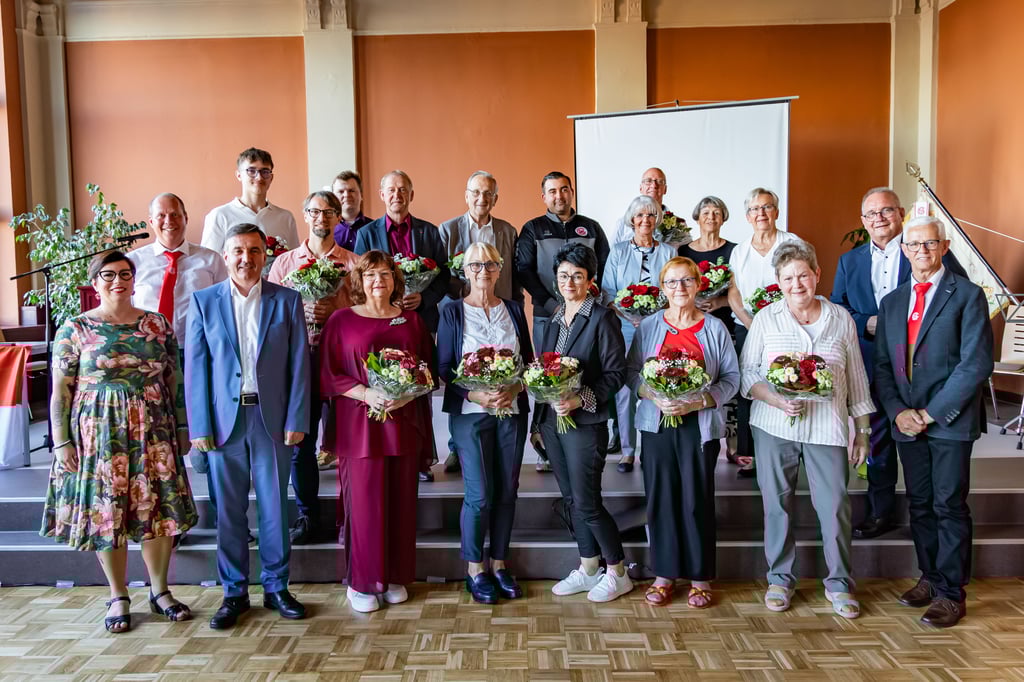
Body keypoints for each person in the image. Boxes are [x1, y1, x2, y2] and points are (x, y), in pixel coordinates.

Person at [41, 251, 198, 633]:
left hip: (153, 428)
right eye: (108, 275)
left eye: (125, 274)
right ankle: (118, 594)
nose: (118, 281)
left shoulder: (157, 325)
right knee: (107, 513)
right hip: (99, 435)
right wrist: (61, 441)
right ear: (94, 283)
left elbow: (174, 381)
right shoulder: (75, 328)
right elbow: (60, 389)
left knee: (157, 511)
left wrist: (181, 427)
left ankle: (160, 591)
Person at [185, 223, 310, 629]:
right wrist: (199, 425)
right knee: (229, 512)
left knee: (275, 508)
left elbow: (299, 366)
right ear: (225, 255)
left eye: (254, 251)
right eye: (238, 251)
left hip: (272, 420)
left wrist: (297, 418)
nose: (246, 259)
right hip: (224, 423)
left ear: (265, 256)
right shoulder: (204, 302)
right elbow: (196, 369)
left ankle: (276, 587)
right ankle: (234, 592)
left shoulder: (287, 300)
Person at [739, 239, 872, 619]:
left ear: (817, 274)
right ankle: (780, 579)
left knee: (835, 507)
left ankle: (840, 583)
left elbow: (857, 378)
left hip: (828, 427)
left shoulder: (840, 318)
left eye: (803, 275)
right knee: (776, 505)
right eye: (787, 277)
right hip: (773, 424)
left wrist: (861, 431)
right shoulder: (767, 318)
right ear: (778, 281)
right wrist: (777, 399)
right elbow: (749, 374)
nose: (797, 284)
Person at [874, 217, 994, 628]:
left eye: (930, 243)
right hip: (906, 421)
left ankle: (950, 593)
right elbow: (883, 368)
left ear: (943, 247)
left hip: (948, 422)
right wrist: (897, 412)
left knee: (949, 505)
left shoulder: (967, 296)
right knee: (920, 503)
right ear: (903, 250)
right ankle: (930, 576)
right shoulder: (892, 302)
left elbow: (975, 364)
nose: (921, 251)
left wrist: (930, 412)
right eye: (913, 244)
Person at [831, 188, 966, 539]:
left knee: (926, 441)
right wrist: (866, 323)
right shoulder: (850, 261)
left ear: (901, 214)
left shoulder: (925, 249)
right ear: (863, 221)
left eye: (886, 211)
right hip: (871, 363)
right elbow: (838, 306)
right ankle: (881, 512)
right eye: (871, 214)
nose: (879, 219)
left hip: (923, 370)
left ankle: (935, 516)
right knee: (876, 439)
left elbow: (956, 296)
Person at [319, 250, 436, 613]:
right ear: (359, 281)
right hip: (360, 426)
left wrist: (404, 395)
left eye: (385, 274)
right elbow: (329, 373)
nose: (378, 282)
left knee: (401, 502)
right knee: (365, 505)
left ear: (395, 280)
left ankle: (395, 575)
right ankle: (362, 581)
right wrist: (369, 394)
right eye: (370, 275)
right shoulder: (341, 320)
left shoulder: (411, 321)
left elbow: (427, 372)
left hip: (401, 422)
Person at [625, 256, 739, 608]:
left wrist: (699, 401)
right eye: (672, 283)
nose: (680, 288)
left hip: (698, 426)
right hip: (657, 424)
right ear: (663, 289)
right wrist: (654, 395)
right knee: (661, 500)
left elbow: (732, 380)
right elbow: (632, 375)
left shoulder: (715, 328)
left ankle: (701, 575)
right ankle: (664, 573)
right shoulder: (649, 327)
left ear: (698, 284)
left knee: (696, 500)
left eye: (687, 281)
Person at [437, 242, 532, 604]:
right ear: (465, 270)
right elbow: (444, 368)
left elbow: (528, 359)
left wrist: (517, 387)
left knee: (507, 490)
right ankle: (475, 567)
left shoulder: (512, 308)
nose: (484, 271)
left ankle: (500, 563)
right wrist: (475, 395)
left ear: (499, 268)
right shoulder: (452, 312)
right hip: (471, 414)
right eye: (476, 265)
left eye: (490, 264)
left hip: (511, 410)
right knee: (479, 495)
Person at [128, 193, 227, 537]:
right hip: (149, 360)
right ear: (151, 220)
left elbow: (224, 311)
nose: (169, 220)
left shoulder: (210, 260)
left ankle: (225, 519)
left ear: (186, 217)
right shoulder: (133, 261)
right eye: (161, 215)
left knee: (207, 437)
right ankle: (170, 523)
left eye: (175, 214)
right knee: (158, 441)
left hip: (198, 356)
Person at [539, 243, 631, 603]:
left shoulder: (603, 318)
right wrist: (539, 422)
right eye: (564, 275)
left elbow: (616, 374)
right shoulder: (554, 317)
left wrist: (580, 399)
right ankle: (589, 566)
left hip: (586, 421)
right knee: (571, 499)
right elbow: (542, 373)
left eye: (577, 275)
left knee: (587, 502)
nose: (570, 282)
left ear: (590, 280)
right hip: (553, 422)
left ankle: (618, 571)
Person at [268, 191, 359, 545]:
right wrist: (297, 314)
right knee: (301, 441)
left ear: (339, 218)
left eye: (329, 212)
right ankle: (308, 515)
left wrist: (336, 311)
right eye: (315, 211)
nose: (322, 217)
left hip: (342, 361)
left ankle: (350, 514)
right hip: (298, 360)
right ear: (305, 216)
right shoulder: (285, 264)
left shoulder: (353, 264)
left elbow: (369, 313)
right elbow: (269, 315)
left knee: (349, 441)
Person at [516, 171, 609, 473]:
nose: (559, 196)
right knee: (548, 374)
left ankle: (582, 436)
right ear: (544, 197)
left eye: (564, 190)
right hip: (548, 316)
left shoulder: (590, 227)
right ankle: (545, 441)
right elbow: (525, 272)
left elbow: (604, 266)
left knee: (587, 370)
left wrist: (588, 299)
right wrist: (554, 304)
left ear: (572, 192)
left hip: (586, 313)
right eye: (552, 191)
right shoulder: (533, 229)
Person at [438, 171, 522, 475]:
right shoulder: (448, 230)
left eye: (488, 194)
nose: (481, 198)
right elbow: (441, 277)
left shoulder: (508, 231)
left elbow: (515, 275)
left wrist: (512, 307)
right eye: (476, 192)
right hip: (465, 312)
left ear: (495, 199)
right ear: (466, 195)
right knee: (462, 373)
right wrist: (466, 300)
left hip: (500, 309)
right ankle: (455, 448)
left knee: (502, 367)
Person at [727, 187, 801, 478]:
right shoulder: (740, 251)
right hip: (747, 327)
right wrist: (752, 323)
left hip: (787, 328)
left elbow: (801, 283)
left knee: (786, 383)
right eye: (755, 209)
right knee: (749, 387)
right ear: (748, 216)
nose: (761, 213)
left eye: (767, 207)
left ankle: (787, 448)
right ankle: (749, 454)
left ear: (777, 212)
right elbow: (734, 293)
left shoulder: (791, 242)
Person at [601, 195, 676, 473]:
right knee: (626, 390)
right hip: (623, 327)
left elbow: (673, 289)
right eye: (640, 216)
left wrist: (653, 314)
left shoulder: (668, 252)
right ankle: (628, 450)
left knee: (658, 382)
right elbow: (608, 291)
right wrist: (628, 315)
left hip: (660, 327)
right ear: (632, 220)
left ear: (657, 220)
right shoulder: (618, 251)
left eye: (651, 215)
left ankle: (653, 447)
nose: (646, 220)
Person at [679, 195, 739, 466]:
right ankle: (703, 438)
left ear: (724, 218)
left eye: (717, 212)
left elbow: (741, 291)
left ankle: (735, 445)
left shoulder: (735, 251)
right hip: (693, 326)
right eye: (706, 212)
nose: (711, 217)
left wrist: (720, 301)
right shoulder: (683, 252)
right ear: (697, 217)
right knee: (697, 379)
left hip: (727, 322)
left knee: (729, 383)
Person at [353, 170, 450, 333]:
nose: (397, 194)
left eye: (402, 189)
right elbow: (357, 278)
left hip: (423, 319)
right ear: (382, 195)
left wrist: (423, 298)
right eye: (391, 190)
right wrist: (386, 298)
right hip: (380, 318)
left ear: (411, 195)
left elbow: (444, 275)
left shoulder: (430, 231)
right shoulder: (366, 233)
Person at [201, 147, 299, 254]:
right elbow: (208, 262)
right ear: (239, 175)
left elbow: (293, 261)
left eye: (265, 172)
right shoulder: (220, 215)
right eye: (251, 171)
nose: (259, 177)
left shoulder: (285, 217)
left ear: (271, 177)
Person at [612, 168, 682, 245]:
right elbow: (613, 253)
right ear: (641, 188)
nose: (654, 185)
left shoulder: (679, 224)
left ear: (665, 189)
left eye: (659, 181)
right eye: (648, 181)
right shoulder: (623, 223)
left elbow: (686, 255)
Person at [331, 170, 373, 251]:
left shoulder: (374, 228)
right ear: (333, 198)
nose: (347, 195)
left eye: (351, 191)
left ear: (361, 195)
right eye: (341, 191)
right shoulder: (327, 229)